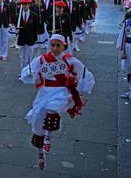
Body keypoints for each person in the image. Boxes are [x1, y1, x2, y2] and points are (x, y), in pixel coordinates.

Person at [20, 34, 94, 169]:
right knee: (37, 120)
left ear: (63, 46)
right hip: (45, 91)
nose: (54, 48)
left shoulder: (69, 60)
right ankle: (41, 155)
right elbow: (29, 70)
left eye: (58, 45)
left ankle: (48, 137)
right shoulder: (41, 59)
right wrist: (29, 74)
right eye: (52, 45)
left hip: (61, 92)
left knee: (52, 109)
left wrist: (80, 88)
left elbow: (84, 73)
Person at [117, 1, 131, 103]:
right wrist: (123, 50)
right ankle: (130, 90)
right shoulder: (128, 21)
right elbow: (123, 37)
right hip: (130, 47)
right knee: (129, 70)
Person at [16, 0, 38, 74]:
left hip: (30, 38)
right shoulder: (18, 15)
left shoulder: (34, 15)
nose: (24, 6)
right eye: (23, 4)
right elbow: (16, 25)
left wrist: (35, 39)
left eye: (26, 4)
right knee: (22, 57)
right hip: (21, 38)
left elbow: (35, 28)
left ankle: (29, 71)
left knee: (30, 57)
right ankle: (22, 71)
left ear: (29, 5)